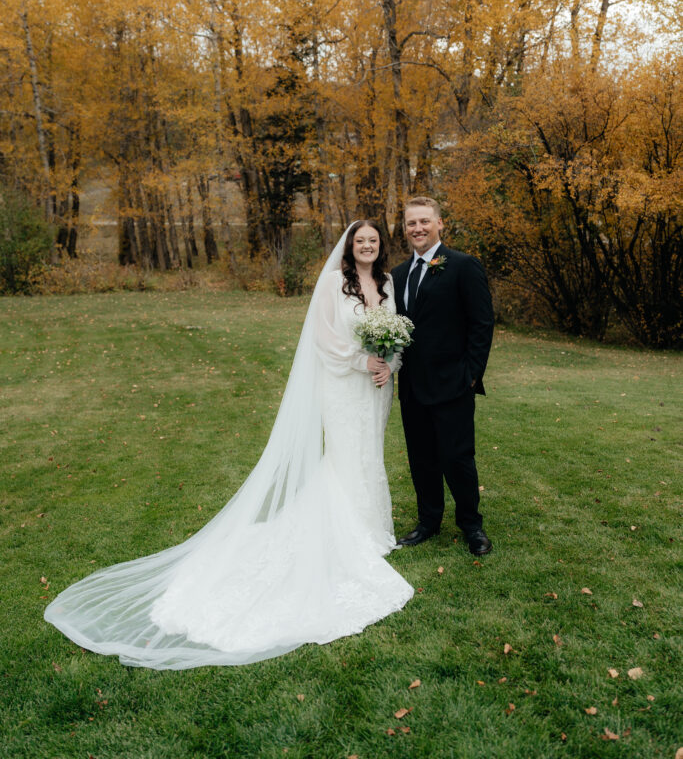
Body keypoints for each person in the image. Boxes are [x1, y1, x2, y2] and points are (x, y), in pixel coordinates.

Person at [44, 222, 413, 669]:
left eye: (373, 240)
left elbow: (394, 332)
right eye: (360, 241)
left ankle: (371, 529)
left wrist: (388, 364)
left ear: (380, 245)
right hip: (344, 384)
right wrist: (361, 361)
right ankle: (349, 532)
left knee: (369, 452)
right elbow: (325, 338)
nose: (367, 246)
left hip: (377, 386)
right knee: (345, 454)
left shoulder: (388, 281)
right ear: (350, 246)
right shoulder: (335, 283)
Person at [391, 197, 495, 555]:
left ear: (439, 223)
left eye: (424, 221)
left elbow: (482, 323)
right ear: (405, 228)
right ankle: (428, 521)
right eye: (411, 223)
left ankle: (471, 525)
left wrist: (471, 374)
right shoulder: (398, 275)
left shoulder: (463, 266)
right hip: (412, 386)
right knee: (421, 458)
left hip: (453, 383)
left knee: (457, 458)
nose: (417, 228)